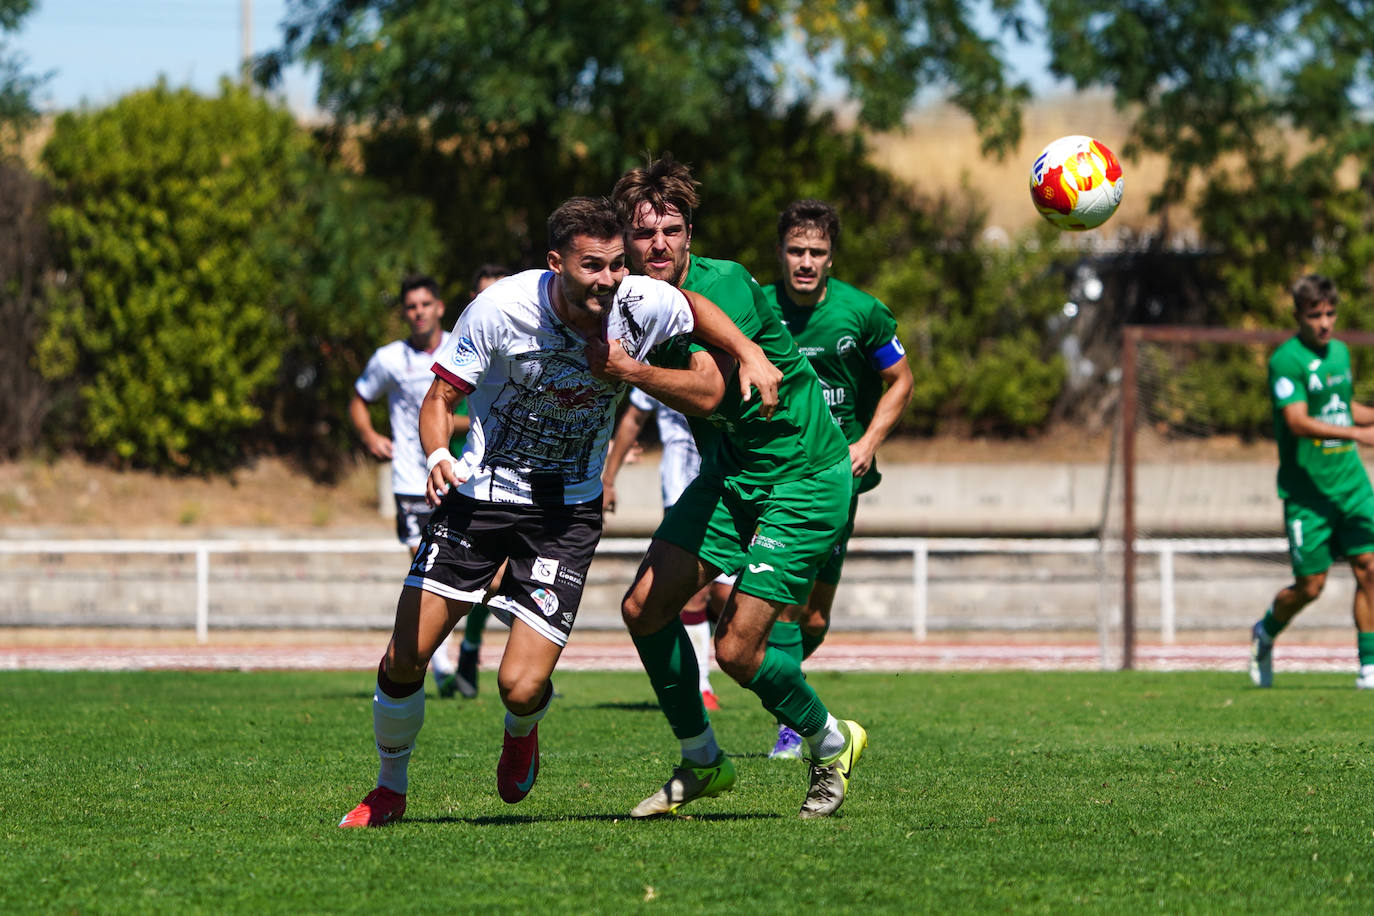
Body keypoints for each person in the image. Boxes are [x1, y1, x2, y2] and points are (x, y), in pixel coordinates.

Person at [338, 196, 781, 827]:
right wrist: (437, 454)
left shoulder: (636, 300)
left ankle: (523, 728)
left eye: (617, 264)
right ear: (556, 263)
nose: (609, 279)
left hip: (565, 516)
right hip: (480, 501)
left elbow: (694, 309)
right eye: (592, 266)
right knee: (404, 657)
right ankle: (389, 789)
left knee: (519, 687)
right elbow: (439, 398)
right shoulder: (501, 309)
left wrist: (749, 351)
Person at [611, 154, 867, 820]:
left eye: (671, 230)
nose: (659, 244)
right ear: (625, 239)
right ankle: (702, 760)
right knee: (643, 609)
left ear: (690, 235)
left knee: (736, 649)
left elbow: (708, 391)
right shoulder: (629, 296)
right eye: (644, 233)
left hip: (803, 475)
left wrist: (628, 371)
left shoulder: (722, 281)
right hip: (731, 475)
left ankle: (830, 740)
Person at [760, 200, 913, 758]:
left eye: (817, 252)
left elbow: (901, 381)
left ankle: (784, 680)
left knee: (814, 617)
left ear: (831, 257)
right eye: (796, 250)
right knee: (782, 601)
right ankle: (791, 722)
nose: (806, 261)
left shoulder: (862, 312)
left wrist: (867, 443)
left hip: (837, 479)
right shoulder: (756, 307)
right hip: (777, 472)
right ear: (781, 252)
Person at [1250, 274, 1374, 689]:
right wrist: (1358, 435)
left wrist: (1368, 420)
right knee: (1310, 587)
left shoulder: (1340, 352)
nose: (1325, 323)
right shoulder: (1286, 361)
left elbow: (1341, 407)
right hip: (1307, 493)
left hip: (1351, 484)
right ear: (1297, 316)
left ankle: (1369, 667)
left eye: (1330, 314)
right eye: (1315, 315)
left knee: (1370, 568)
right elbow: (1298, 421)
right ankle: (1265, 632)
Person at [348, 274, 461, 697]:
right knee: (427, 569)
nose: (418, 313)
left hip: (456, 475)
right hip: (411, 482)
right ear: (404, 313)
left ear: (439, 307)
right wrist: (369, 435)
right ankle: (443, 665)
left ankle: (457, 655)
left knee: (458, 570)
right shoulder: (390, 359)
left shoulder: (461, 347)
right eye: (411, 306)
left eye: (425, 304)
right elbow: (359, 398)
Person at [603, 388, 723, 710]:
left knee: (725, 596)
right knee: (693, 590)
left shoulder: (735, 363)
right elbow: (633, 417)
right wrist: (608, 480)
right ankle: (700, 686)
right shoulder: (658, 362)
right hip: (681, 489)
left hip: (731, 485)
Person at [449, 264, 513, 700]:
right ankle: (464, 655)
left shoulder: (528, 345)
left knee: (498, 575)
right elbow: (440, 406)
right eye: (483, 294)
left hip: (519, 480)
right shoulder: (464, 344)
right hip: (468, 475)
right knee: (486, 577)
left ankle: (486, 658)